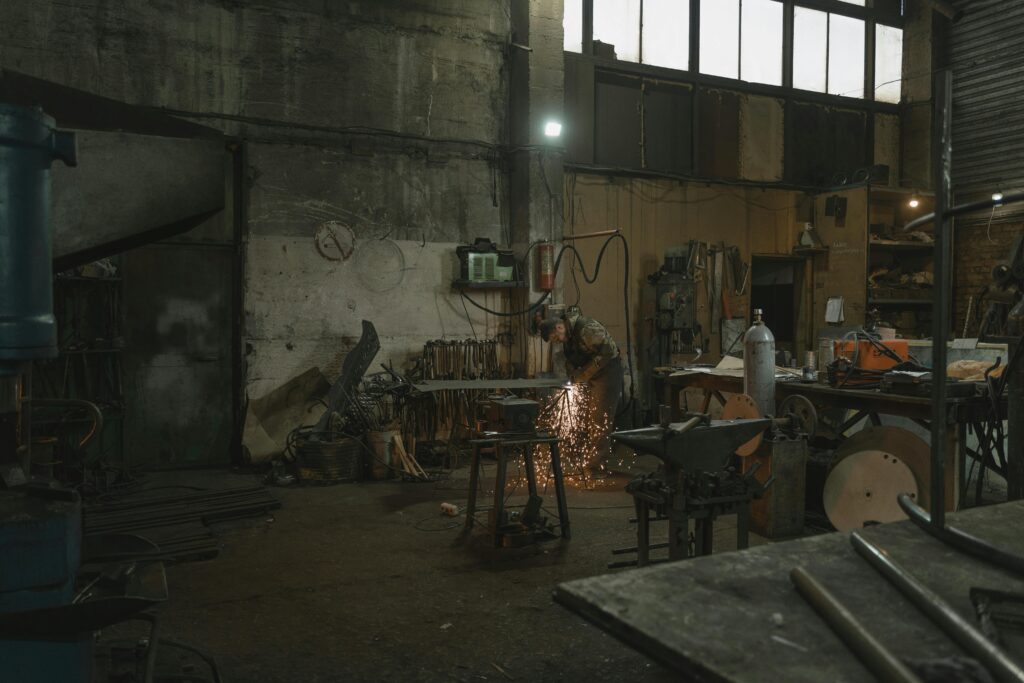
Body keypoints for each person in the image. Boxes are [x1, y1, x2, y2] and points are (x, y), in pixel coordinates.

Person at [538, 311, 623, 473]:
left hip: (608, 371)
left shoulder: (587, 329)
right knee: (586, 416)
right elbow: (571, 359)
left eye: (555, 338)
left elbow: (606, 353)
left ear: (559, 327)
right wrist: (572, 372)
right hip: (591, 373)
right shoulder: (567, 336)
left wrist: (582, 375)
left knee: (599, 419)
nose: (556, 342)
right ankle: (588, 458)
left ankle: (597, 467)